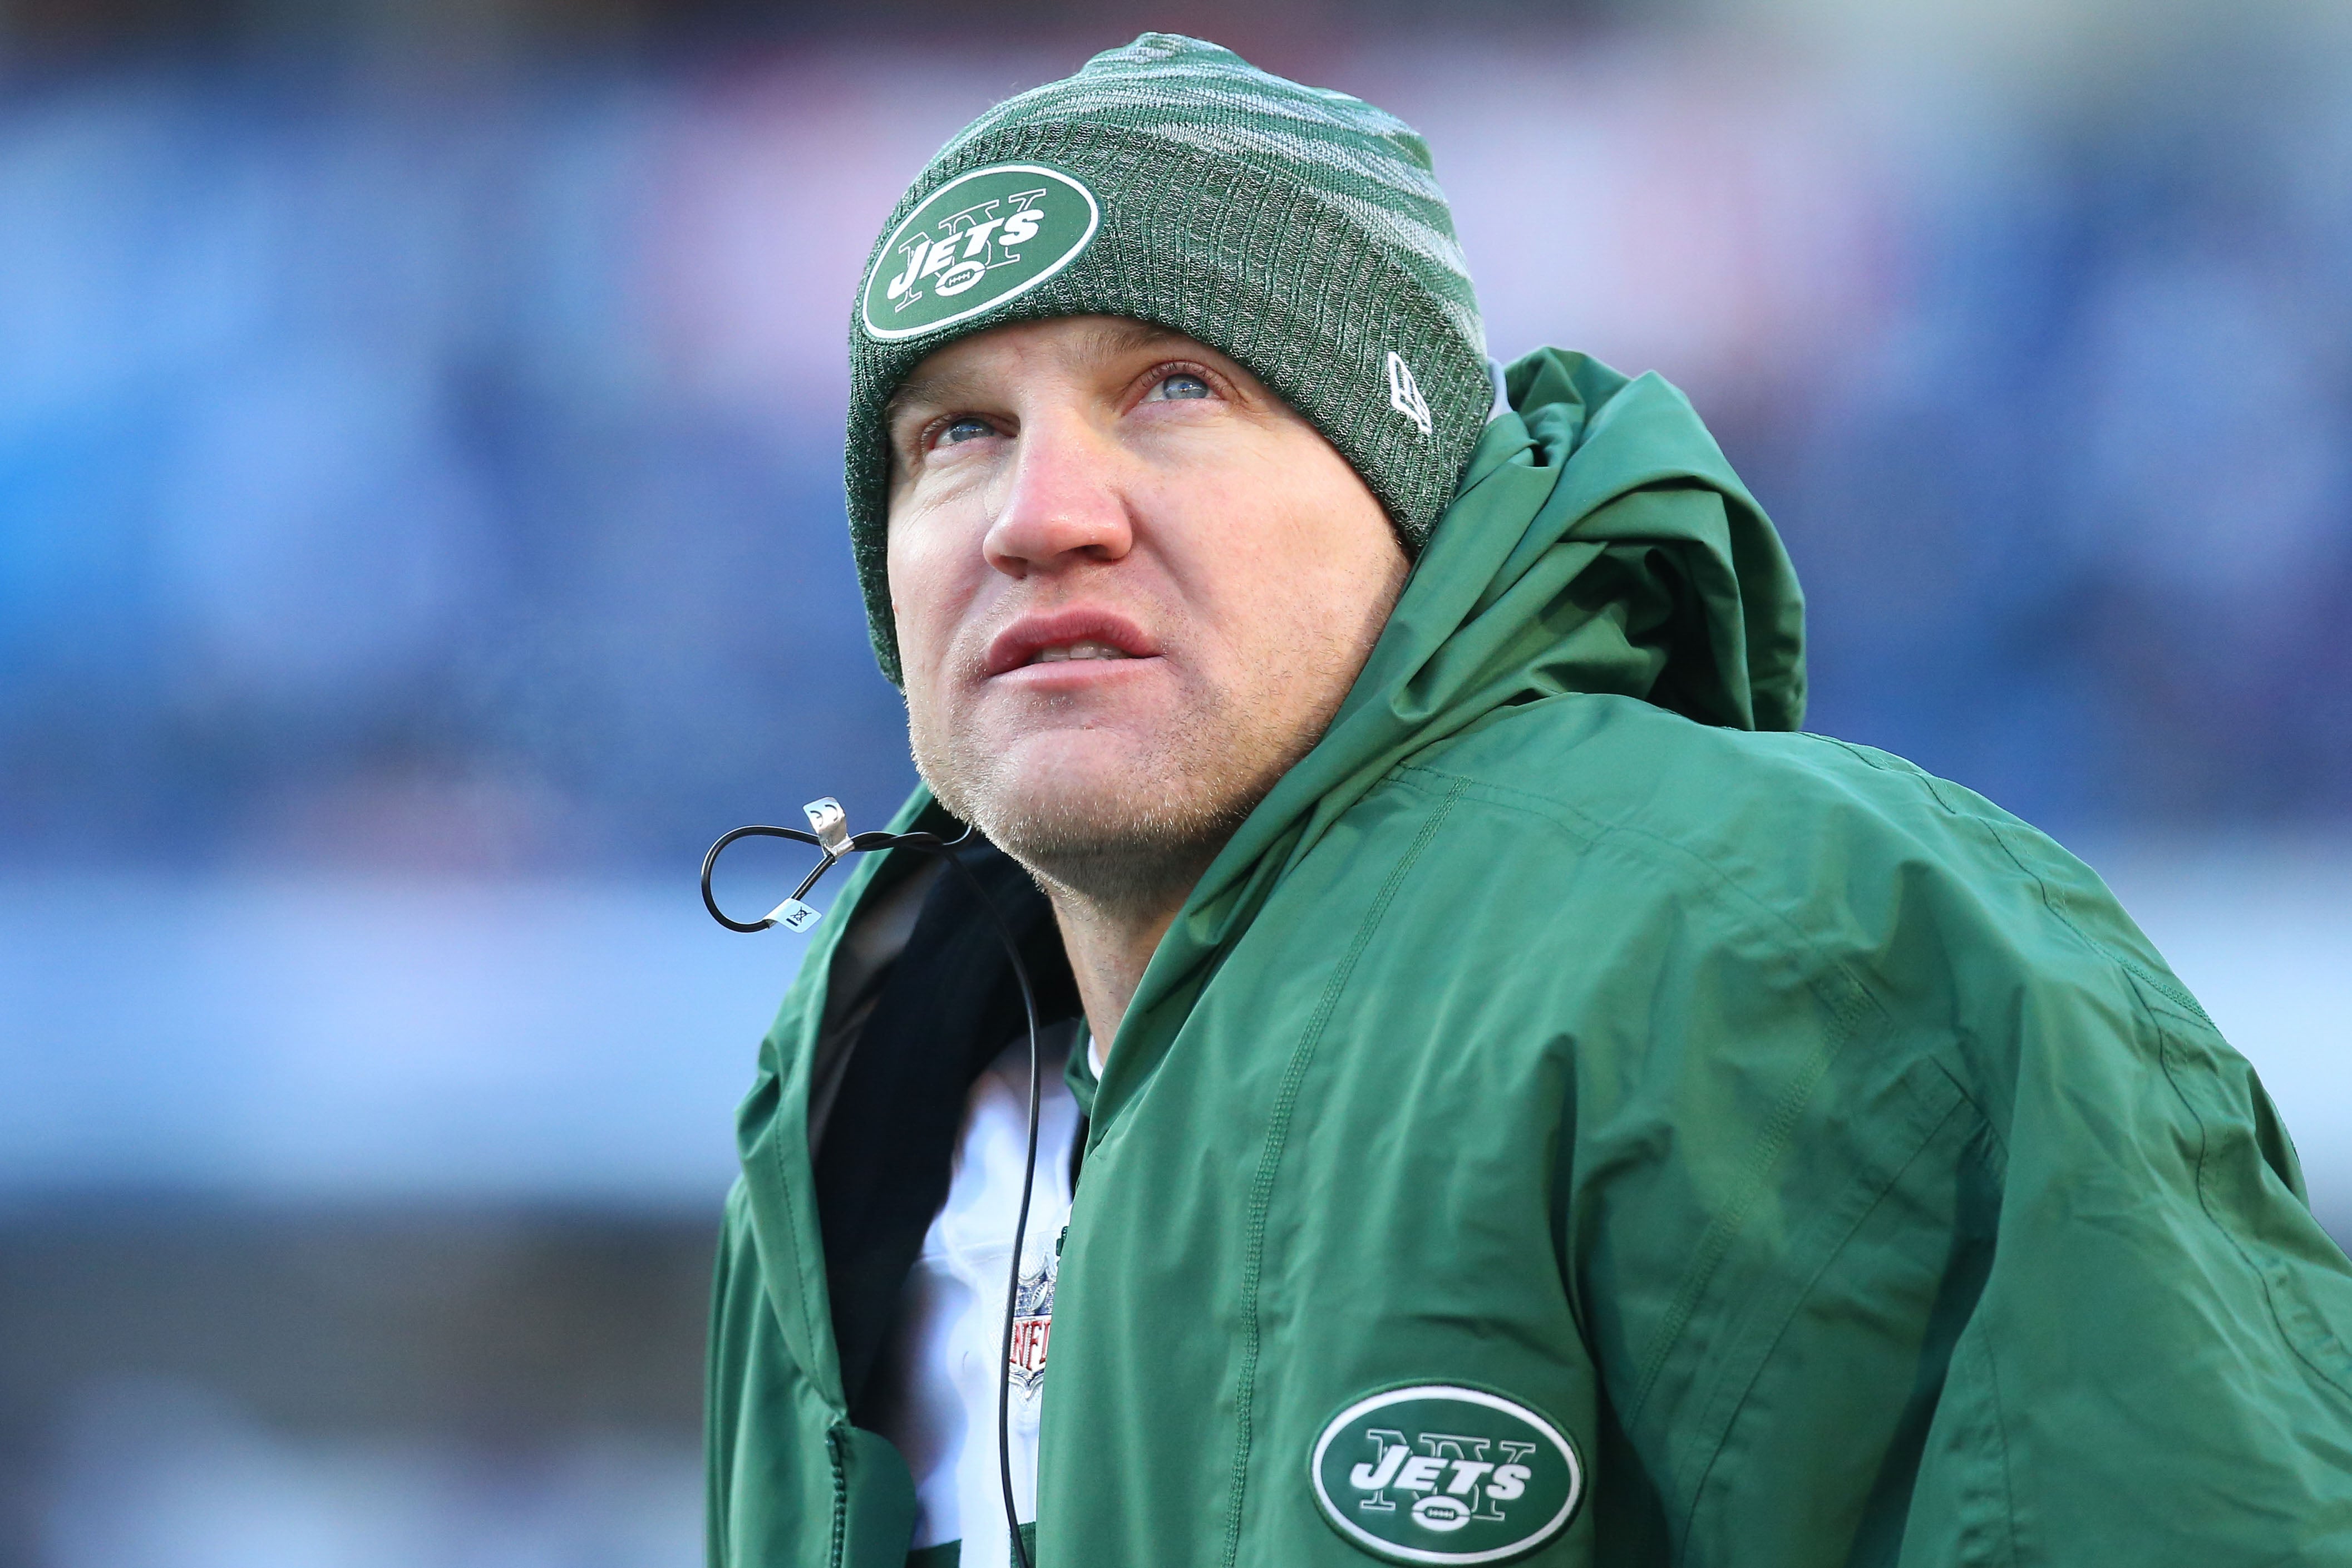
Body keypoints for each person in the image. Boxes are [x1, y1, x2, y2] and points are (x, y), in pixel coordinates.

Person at [703, 33, 2352, 1568]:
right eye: (957, 432)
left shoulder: (1792, 937)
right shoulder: (846, 1090)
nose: (1040, 513)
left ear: (1407, 484)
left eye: (1176, 388)